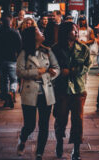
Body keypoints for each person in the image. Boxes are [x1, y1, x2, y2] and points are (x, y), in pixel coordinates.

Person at [16, 26, 60, 160]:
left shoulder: (47, 51)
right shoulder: (24, 53)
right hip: (30, 93)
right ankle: (23, 139)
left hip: (46, 92)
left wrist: (53, 73)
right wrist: (38, 72)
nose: (42, 33)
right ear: (33, 36)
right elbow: (19, 72)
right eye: (39, 32)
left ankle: (39, 152)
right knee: (29, 125)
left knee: (44, 125)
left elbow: (56, 68)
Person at [52, 22, 91, 160]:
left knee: (77, 120)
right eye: (73, 31)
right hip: (61, 89)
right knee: (60, 118)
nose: (76, 33)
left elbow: (87, 65)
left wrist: (72, 71)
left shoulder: (83, 48)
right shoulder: (55, 49)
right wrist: (58, 72)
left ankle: (76, 149)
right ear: (65, 32)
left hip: (78, 90)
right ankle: (59, 142)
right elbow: (51, 67)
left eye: (77, 30)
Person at [0, 13, 22, 108]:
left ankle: (6, 98)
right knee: (14, 79)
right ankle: (12, 92)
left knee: (4, 80)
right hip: (12, 59)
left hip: (1, 59)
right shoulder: (14, 32)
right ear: (10, 21)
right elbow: (19, 46)